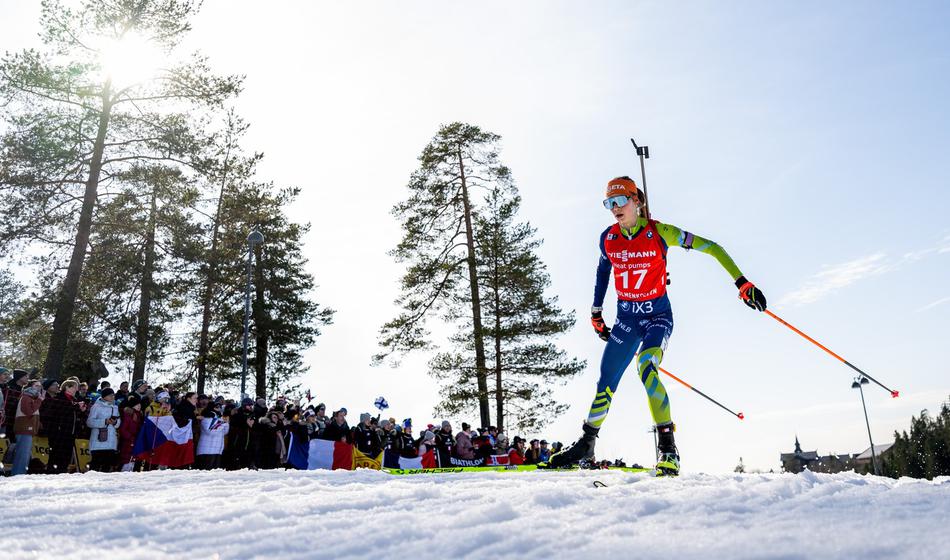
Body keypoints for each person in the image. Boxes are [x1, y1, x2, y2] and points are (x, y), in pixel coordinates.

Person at [546, 177, 767, 475]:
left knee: (646, 368)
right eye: (609, 203)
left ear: (637, 201)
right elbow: (602, 272)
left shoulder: (661, 233)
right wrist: (596, 312)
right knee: (605, 384)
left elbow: (712, 247)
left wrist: (742, 283)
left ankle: (668, 449)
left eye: (620, 200)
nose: (614, 208)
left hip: (656, 318)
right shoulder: (608, 238)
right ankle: (587, 443)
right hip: (626, 320)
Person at [41, 379, 84, 474]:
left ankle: (62, 474)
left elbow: (74, 416)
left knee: (66, 456)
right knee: (56, 455)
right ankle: (51, 474)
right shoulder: (59, 398)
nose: (77, 389)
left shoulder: (74, 400)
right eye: (74, 387)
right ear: (67, 387)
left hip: (71, 433)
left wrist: (81, 411)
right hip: (58, 432)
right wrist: (76, 407)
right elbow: (61, 411)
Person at [11, 379, 44, 475]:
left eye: (40, 386)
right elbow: (28, 412)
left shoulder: (32, 398)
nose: (39, 388)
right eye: (36, 386)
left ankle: (18, 474)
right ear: (30, 386)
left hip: (27, 430)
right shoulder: (26, 397)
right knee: (22, 456)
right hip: (24, 430)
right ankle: (18, 475)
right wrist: (39, 401)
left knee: (24, 455)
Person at [86, 387, 121, 472]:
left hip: (111, 442)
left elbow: (119, 423)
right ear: (104, 396)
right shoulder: (96, 406)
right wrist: (104, 421)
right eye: (110, 395)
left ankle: (105, 484)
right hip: (98, 442)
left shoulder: (115, 407)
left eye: (113, 395)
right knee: (95, 467)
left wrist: (115, 422)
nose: (113, 397)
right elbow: (89, 422)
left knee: (107, 467)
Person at [195, 403, 229, 470]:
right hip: (206, 451)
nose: (219, 409)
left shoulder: (220, 419)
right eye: (217, 407)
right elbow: (210, 432)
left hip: (217, 450)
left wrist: (225, 424)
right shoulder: (207, 417)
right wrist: (223, 424)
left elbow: (225, 432)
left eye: (220, 407)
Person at [118, 394, 144, 471]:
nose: (139, 406)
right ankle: (123, 472)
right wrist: (130, 437)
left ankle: (129, 473)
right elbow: (123, 429)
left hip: (135, 440)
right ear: (132, 406)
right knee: (127, 459)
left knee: (133, 459)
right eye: (137, 405)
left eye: (140, 405)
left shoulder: (139, 415)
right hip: (128, 441)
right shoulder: (128, 415)